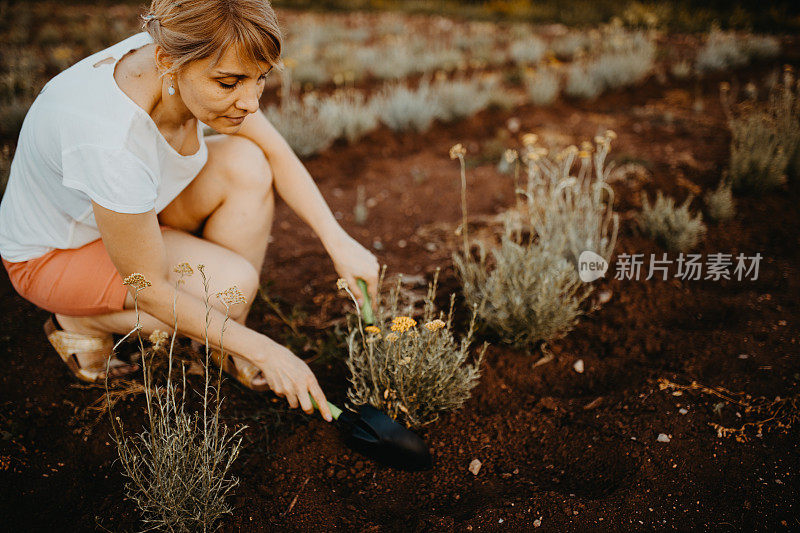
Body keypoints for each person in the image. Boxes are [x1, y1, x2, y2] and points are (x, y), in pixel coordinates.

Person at [0, 0, 379, 423]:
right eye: (230, 83)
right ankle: (80, 322)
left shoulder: (188, 50)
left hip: (135, 213)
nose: (251, 102)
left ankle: (221, 340)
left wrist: (338, 240)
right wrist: (265, 349)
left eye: (261, 79)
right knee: (231, 288)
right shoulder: (109, 141)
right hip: (56, 254)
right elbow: (150, 288)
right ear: (166, 62)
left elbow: (274, 150)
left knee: (247, 163)